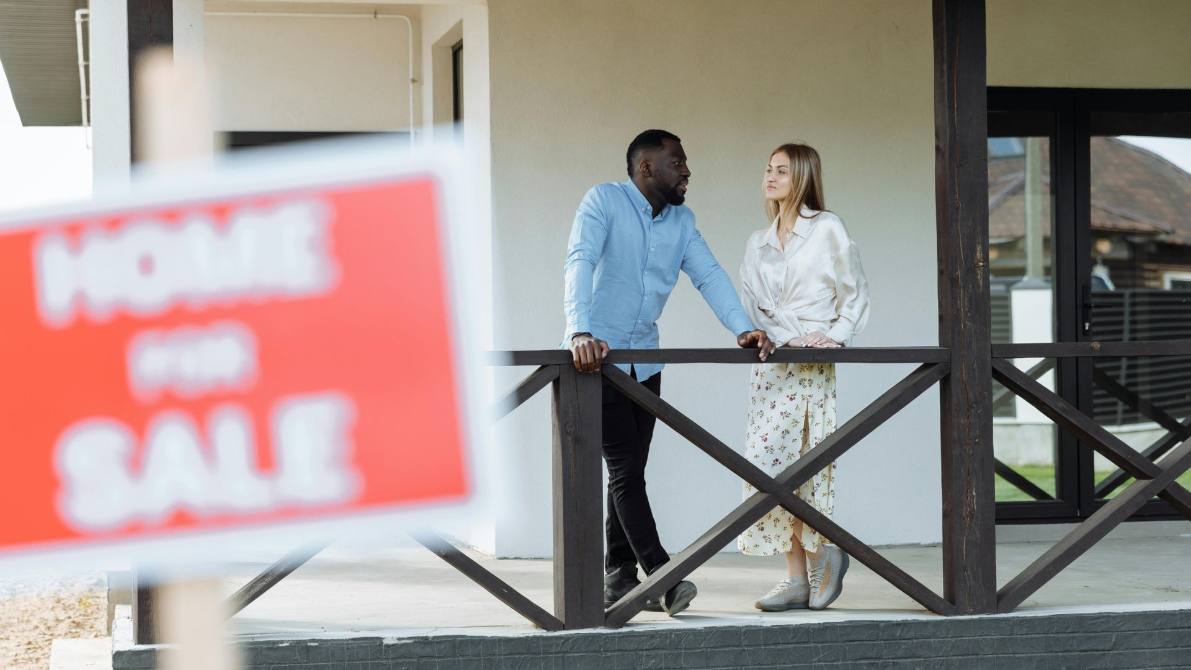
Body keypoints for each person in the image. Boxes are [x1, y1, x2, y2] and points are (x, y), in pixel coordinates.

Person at [563, 129, 776, 617]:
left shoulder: (683, 221)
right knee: (624, 469)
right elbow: (580, 260)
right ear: (646, 168)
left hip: (646, 363)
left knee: (630, 473)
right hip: (595, 360)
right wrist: (579, 331)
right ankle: (663, 575)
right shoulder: (604, 201)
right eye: (676, 162)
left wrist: (742, 328)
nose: (686, 171)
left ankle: (618, 576)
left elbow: (709, 275)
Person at [737, 142, 870, 612]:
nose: (770, 177)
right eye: (768, 168)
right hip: (772, 363)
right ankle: (796, 576)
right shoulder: (758, 241)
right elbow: (751, 304)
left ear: (803, 177)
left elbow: (854, 291)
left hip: (811, 363)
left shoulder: (827, 227)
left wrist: (834, 335)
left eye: (782, 171)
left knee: (806, 465)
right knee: (767, 467)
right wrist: (776, 335)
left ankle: (821, 556)